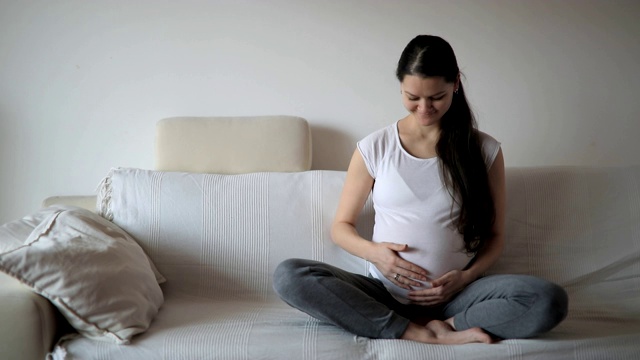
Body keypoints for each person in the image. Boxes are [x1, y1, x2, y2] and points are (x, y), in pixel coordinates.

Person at [273, 35, 568, 345]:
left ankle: (450, 325)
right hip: (384, 294)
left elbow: (495, 237)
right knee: (290, 276)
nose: (424, 108)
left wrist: (465, 278)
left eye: (436, 97)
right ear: (400, 86)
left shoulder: (484, 150)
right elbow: (340, 228)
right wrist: (377, 256)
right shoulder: (375, 147)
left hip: (460, 296)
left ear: (455, 83)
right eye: (413, 97)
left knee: (548, 300)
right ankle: (414, 331)